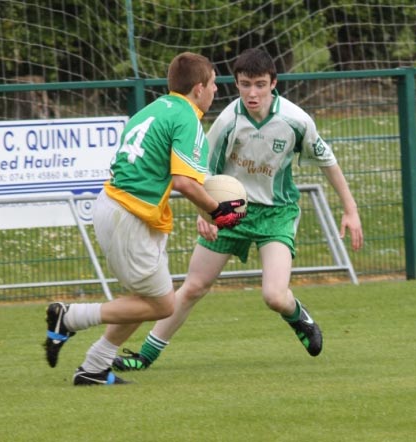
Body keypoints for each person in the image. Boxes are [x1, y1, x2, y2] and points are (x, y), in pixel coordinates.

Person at [112, 48, 364, 372]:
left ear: (273, 83)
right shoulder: (228, 121)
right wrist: (206, 217)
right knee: (193, 287)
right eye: (245, 84)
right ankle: (144, 356)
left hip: (276, 213)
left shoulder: (296, 121)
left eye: (260, 84)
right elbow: (200, 173)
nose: (252, 93)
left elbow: (327, 160)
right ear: (236, 83)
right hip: (229, 212)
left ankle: (297, 314)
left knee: (274, 296)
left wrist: (350, 209)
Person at [43, 52, 246, 386]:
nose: (215, 92)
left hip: (120, 208)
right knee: (163, 304)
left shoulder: (152, 110)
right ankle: (70, 317)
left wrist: (207, 208)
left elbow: (173, 177)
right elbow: (184, 183)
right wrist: (217, 211)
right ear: (198, 88)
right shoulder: (188, 118)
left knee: (145, 300)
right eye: (213, 84)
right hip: (130, 216)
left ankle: (94, 368)